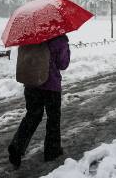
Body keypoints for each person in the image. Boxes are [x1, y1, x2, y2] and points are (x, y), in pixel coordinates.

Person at [8, 34, 70, 168]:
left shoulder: (28, 36)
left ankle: (17, 146)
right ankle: (52, 151)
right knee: (53, 118)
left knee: (32, 115)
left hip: (31, 84)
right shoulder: (59, 39)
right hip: (51, 86)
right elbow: (63, 64)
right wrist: (67, 49)